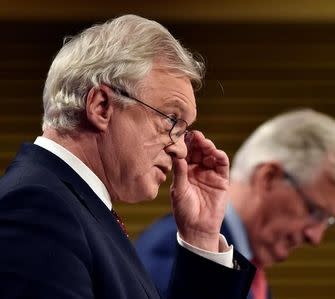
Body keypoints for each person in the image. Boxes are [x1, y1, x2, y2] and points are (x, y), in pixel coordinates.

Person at [0, 14, 255, 299]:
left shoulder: (69, 205)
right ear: (101, 107)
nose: (181, 149)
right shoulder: (37, 207)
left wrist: (201, 237)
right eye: (171, 119)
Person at [135, 109, 335, 299]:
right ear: (268, 177)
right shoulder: (178, 256)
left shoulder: (245, 267)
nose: (316, 237)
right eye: (315, 212)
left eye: (328, 220)